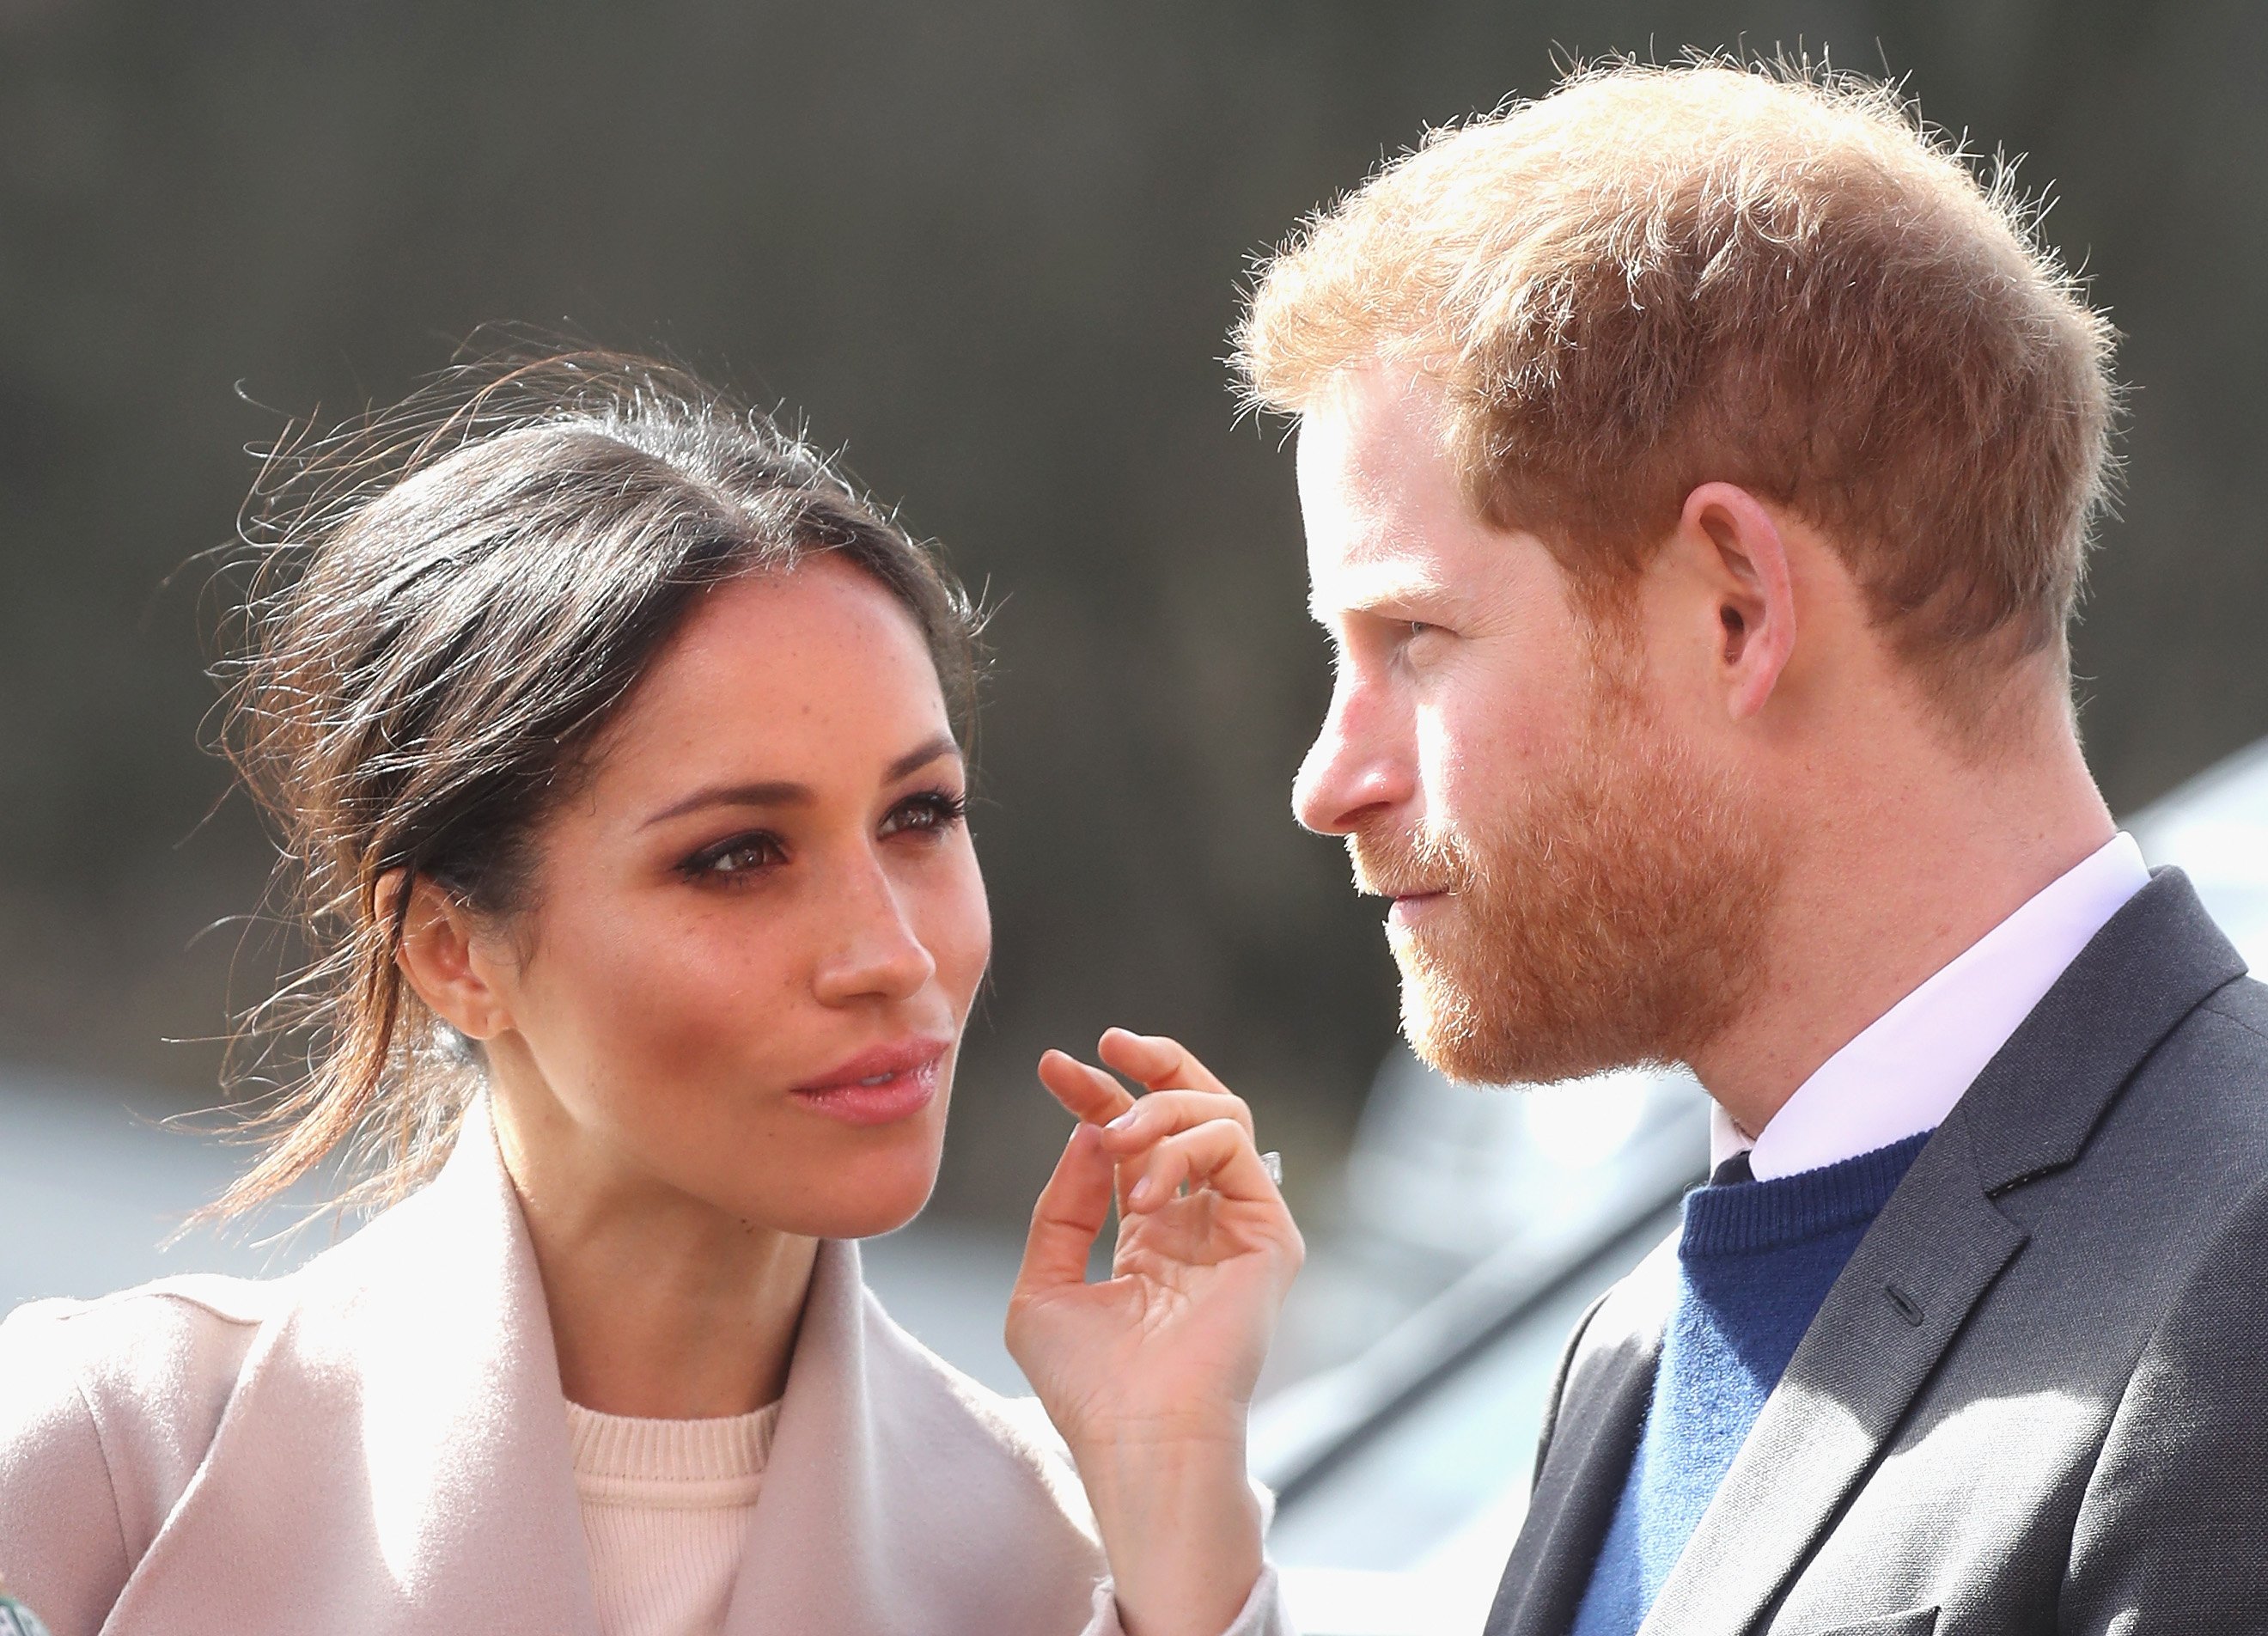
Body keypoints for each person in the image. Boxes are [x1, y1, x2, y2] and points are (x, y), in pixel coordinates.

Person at [0, 354, 1299, 1636]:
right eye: (736, 857)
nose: (893, 954)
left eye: (921, 815)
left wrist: (1178, 1507)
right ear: (453, 952)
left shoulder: (1075, 1568)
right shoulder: (108, 1466)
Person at [1235, 58, 2268, 1635]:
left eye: (1414, 638)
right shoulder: (1640, 1341)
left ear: (1736, 608)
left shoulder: (2236, 1295)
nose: (1331, 776)